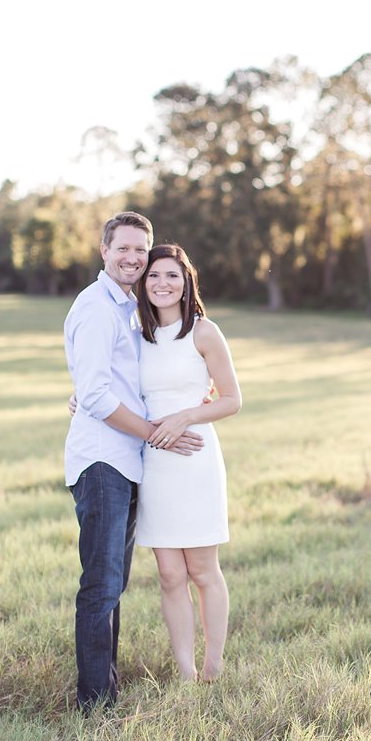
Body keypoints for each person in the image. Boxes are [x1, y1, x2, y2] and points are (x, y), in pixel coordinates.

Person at [64, 211, 204, 713]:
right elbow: (98, 394)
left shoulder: (126, 307)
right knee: (100, 586)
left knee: (112, 583)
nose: (132, 258)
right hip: (103, 462)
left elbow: (101, 382)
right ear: (104, 251)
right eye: (122, 248)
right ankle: (95, 704)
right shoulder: (99, 307)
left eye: (140, 250)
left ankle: (105, 689)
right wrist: (156, 434)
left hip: (125, 463)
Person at [135, 242, 242, 682]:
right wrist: (79, 395)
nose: (162, 283)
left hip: (195, 455)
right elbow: (110, 382)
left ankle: (213, 666)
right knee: (168, 573)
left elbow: (232, 399)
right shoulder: (133, 332)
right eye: (154, 275)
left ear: (186, 283)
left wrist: (186, 416)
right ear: (143, 283)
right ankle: (184, 671)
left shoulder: (203, 331)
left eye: (172, 276)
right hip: (154, 460)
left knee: (201, 568)